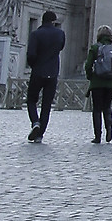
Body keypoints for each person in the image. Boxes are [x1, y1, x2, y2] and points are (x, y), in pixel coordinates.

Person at [25, 9, 66, 141]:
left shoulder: (35, 34)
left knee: (31, 100)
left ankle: (35, 122)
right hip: (52, 72)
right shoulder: (60, 34)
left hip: (38, 71)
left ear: (42, 21)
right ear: (53, 21)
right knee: (46, 105)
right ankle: (40, 135)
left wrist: (33, 65)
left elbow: (31, 54)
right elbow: (60, 48)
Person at [85, 26, 112, 143]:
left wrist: (91, 76)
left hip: (97, 83)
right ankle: (109, 129)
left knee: (97, 109)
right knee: (107, 107)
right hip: (111, 84)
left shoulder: (95, 48)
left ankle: (98, 136)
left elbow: (88, 65)